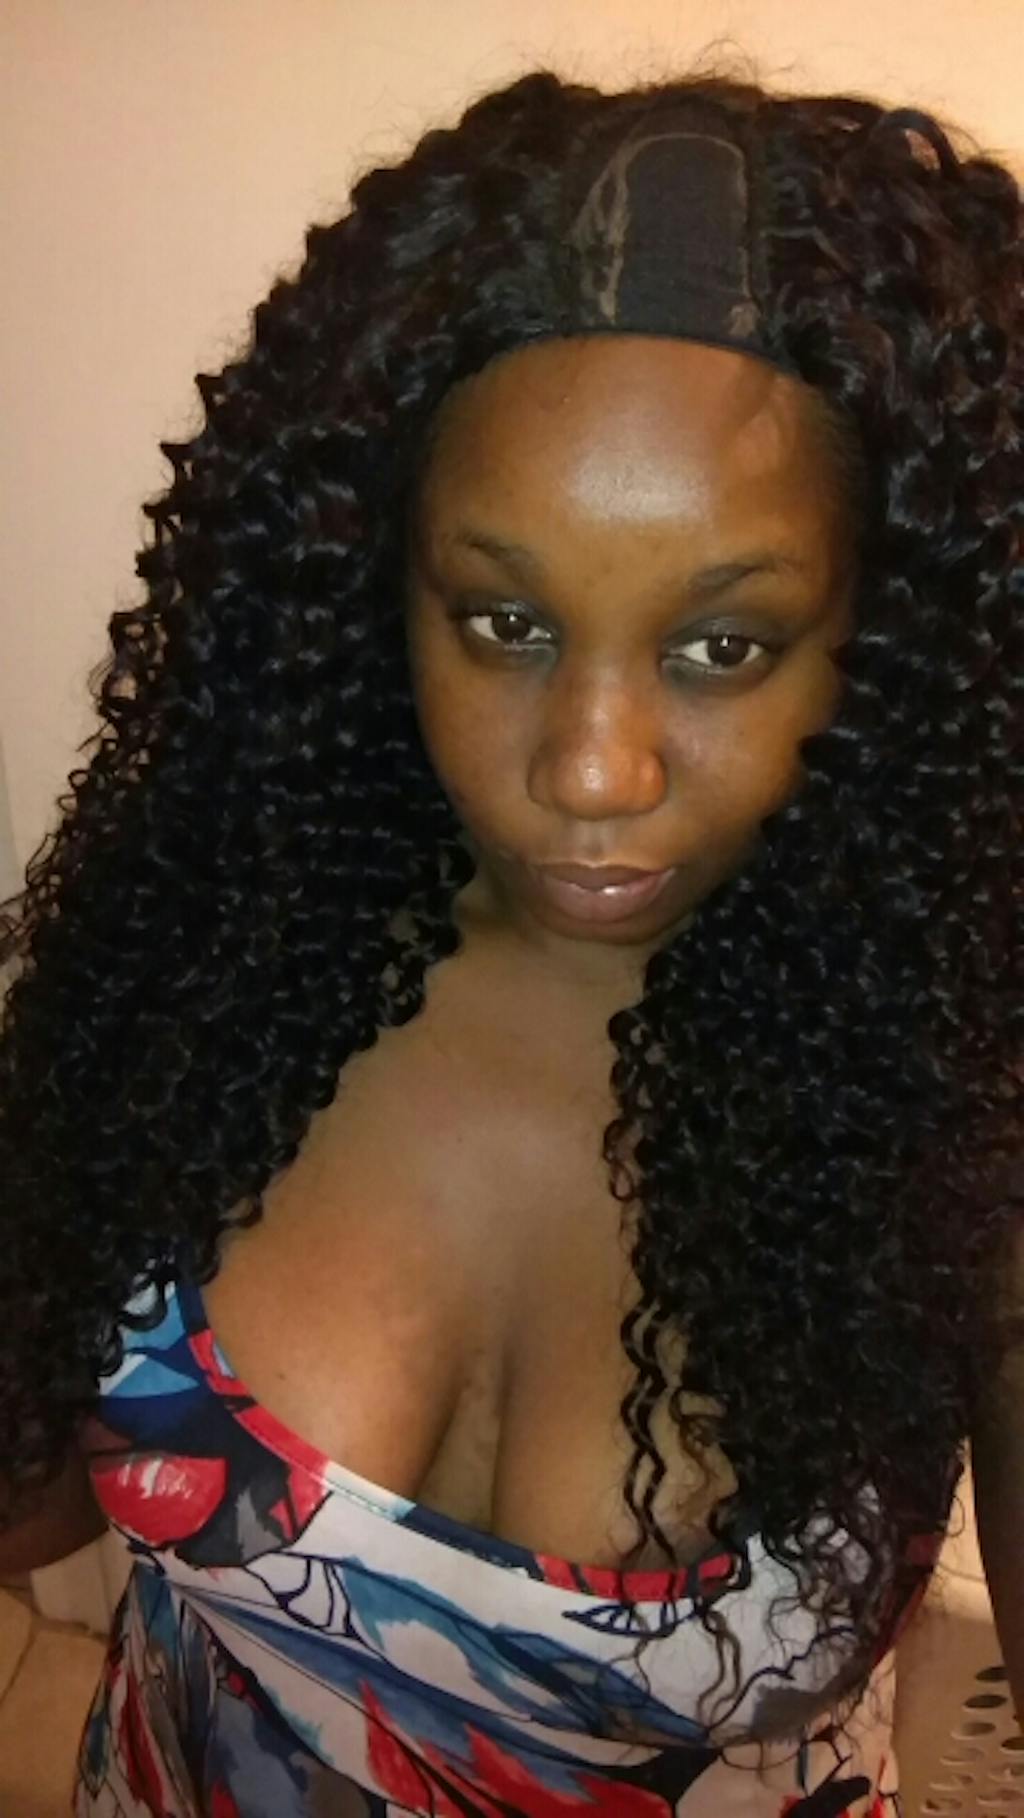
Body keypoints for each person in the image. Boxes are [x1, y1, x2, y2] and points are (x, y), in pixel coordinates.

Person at [1, 63, 1022, 1818]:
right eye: (505, 620)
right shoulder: (204, 966)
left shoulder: (963, 1084)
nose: (590, 770)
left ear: (886, 632)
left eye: (722, 646)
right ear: (373, 582)